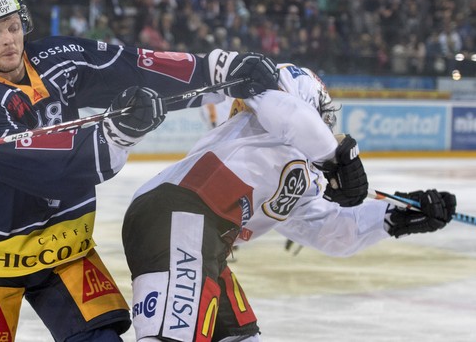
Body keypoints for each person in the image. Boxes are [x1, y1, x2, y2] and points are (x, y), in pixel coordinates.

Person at [0, 0, 279, 342]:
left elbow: (130, 67)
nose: (8, 39)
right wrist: (111, 136)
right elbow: (39, 165)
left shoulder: (57, 58)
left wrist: (218, 72)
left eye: (12, 27)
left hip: (65, 247)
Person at [121, 64, 457, 341]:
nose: (328, 122)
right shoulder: (267, 115)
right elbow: (285, 110)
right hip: (180, 213)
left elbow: (333, 230)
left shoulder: (301, 174)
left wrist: (397, 216)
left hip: (201, 239)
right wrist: (335, 157)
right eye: (322, 112)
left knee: (241, 337)